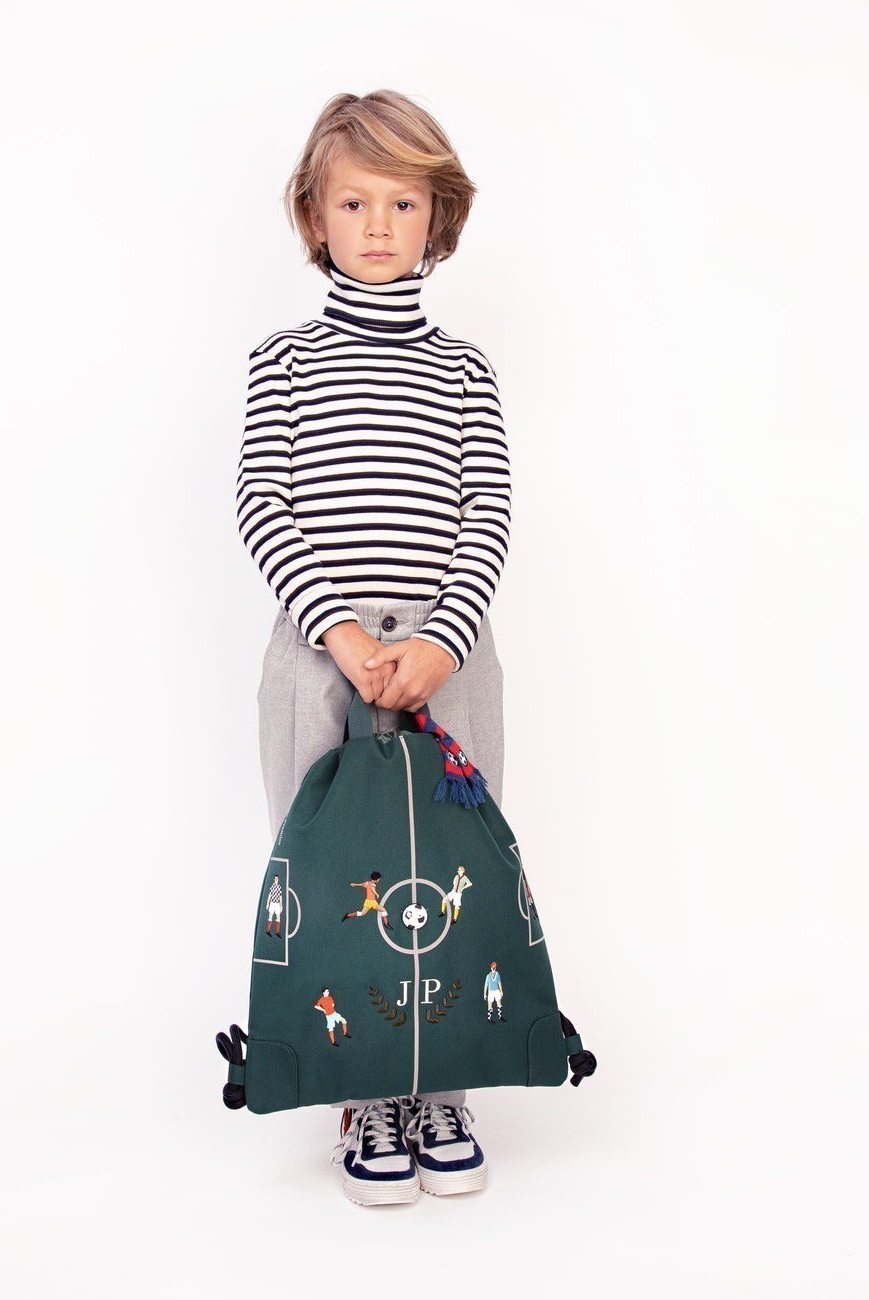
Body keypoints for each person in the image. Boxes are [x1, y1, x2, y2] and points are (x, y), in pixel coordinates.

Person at [236, 90, 509, 1205]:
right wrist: (342, 635)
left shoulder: (465, 370)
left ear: (438, 215)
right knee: (334, 876)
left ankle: (441, 1081)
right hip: (320, 657)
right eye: (355, 202)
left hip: (449, 660)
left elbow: (486, 513)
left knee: (448, 874)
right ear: (316, 217)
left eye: (403, 201)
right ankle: (365, 1091)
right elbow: (264, 504)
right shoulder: (283, 363)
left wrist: (443, 640)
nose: (380, 224)